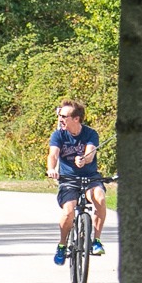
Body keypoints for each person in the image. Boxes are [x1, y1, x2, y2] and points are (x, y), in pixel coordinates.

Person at [48, 100, 106, 264]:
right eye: (60, 116)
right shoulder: (58, 134)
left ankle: (96, 240)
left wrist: (84, 160)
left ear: (76, 119)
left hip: (90, 178)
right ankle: (62, 244)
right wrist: (52, 169)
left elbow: (90, 153)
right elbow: (53, 154)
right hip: (68, 180)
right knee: (68, 211)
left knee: (100, 198)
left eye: (64, 116)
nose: (60, 119)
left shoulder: (90, 133)